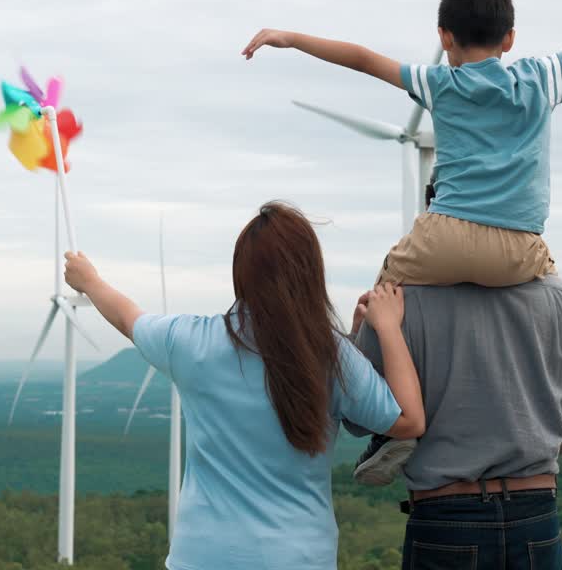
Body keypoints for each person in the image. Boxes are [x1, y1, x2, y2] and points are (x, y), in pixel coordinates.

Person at [242, 0, 562, 288]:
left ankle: (372, 401)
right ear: (509, 38)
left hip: (444, 237)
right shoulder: (539, 79)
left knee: (383, 294)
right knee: (558, 302)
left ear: (444, 36)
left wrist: (291, 38)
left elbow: (363, 58)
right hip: (519, 246)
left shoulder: (440, 83)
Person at [63, 201, 426, 570]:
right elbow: (408, 420)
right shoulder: (330, 356)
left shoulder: (193, 342)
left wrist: (89, 280)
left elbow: (128, 317)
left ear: (241, 273)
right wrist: (387, 327)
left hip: (202, 557)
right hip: (298, 558)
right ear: (309, 272)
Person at [346, 279, 562, 569]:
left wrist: (357, 337)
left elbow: (357, 416)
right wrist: (537, 399)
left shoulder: (396, 301)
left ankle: (388, 444)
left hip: (445, 515)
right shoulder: (559, 294)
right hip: (536, 509)